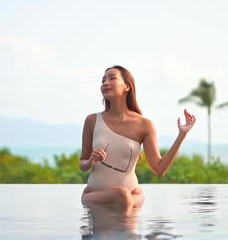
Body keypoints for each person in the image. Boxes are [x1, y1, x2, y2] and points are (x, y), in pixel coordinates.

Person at [79, 65, 196, 209]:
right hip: (94, 196)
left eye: (112, 78)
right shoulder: (92, 121)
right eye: (103, 80)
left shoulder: (144, 124)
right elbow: (82, 165)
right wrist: (90, 161)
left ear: (127, 86)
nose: (105, 83)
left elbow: (160, 169)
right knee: (122, 195)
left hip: (132, 197)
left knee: (124, 197)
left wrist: (182, 135)